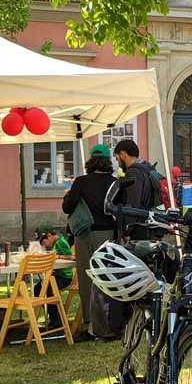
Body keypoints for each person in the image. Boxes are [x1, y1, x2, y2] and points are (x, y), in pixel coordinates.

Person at [62, 144, 118, 341]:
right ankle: (113, 324)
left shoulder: (81, 182)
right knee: (110, 279)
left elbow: (68, 207)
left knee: (89, 281)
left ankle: (94, 328)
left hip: (87, 235)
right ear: (107, 161)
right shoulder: (115, 182)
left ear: (90, 161)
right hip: (111, 235)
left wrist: (67, 195)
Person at [113, 138, 162, 242]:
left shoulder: (133, 172)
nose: (118, 164)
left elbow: (132, 204)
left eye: (117, 159)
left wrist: (127, 230)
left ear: (123, 154)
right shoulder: (147, 168)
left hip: (138, 227)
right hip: (149, 224)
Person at [33, 224, 74, 326]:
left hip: (64, 276)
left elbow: (71, 257)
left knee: (47, 288)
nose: (45, 245)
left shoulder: (60, 243)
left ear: (49, 235)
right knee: (39, 288)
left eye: (44, 242)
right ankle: (52, 315)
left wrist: (57, 256)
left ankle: (56, 315)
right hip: (58, 275)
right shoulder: (56, 243)